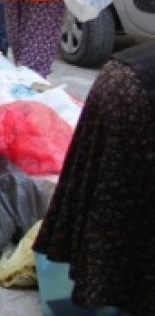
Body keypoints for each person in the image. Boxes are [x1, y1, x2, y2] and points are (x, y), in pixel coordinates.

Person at [34, 39, 155, 314]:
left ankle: (103, 289)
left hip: (119, 75)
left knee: (107, 196)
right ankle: (117, 294)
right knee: (127, 205)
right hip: (138, 95)